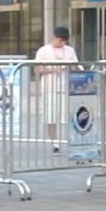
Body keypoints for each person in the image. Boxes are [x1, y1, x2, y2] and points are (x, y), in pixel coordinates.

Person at [35, 25, 78, 153]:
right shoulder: (43, 51)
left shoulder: (70, 50)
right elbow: (38, 68)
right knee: (51, 117)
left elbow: (76, 66)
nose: (62, 43)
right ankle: (55, 142)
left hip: (67, 88)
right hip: (50, 88)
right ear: (54, 37)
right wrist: (53, 70)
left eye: (65, 41)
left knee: (70, 116)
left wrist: (70, 67)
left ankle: (74, 140)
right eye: (60, 41)